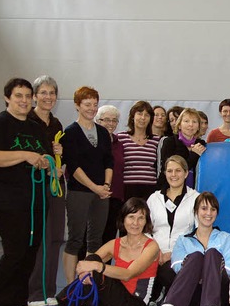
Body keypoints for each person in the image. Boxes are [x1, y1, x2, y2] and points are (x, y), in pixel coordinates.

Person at [22, 198, 159, 306]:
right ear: (123, 219)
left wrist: (97, 267)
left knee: (97, 271)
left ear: (146, 221)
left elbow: (128, 274)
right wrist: (85, 270)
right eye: (131, 217)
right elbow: (86, 263)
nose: (135, 223)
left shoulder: (151, 246)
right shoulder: (116, 244)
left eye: (140, 218)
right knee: (92, 262)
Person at [0, 78, 50, 306]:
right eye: (19, 96)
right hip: (7, 200)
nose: (25, 101)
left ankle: (18, 300)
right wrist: (25, 155)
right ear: (8, 98)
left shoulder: (36, 127)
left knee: (30, 250)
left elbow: (45, 153)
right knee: (15, 250)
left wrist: (46, 160)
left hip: (35, 199)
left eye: (28, 96)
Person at [157, 192, 230, 306]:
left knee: (212, 253)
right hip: (189, 293)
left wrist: (207, 272)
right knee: (196, 256)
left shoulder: (226, 238)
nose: (208, 213)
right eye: (204, 208)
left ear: (217, 213)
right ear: (196, 211)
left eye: (213, 209)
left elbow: (229, 270)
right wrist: (201, 270)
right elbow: (176, 267)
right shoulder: (183, 240)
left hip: (218, 293)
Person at [60, 86, 113, 284]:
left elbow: (109, 160)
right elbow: (73, 166)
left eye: (94, 105)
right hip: (79, 192)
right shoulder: (70, 132)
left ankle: (87, 283)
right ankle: (69, 285)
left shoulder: (102, 132)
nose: (91, 108)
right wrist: (94, 187)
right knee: (75, 240)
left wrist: (105, 185)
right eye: (87, 104)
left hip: (101, 193)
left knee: (95, 240)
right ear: (77, 106)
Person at [26, 76, 65, 306]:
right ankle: (33, 292)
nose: (48, 97)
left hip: (55, 186)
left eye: (52, 93)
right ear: (35, 96)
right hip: (35, 186)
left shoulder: (56, 123)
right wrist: (45, 163)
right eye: (43, 92)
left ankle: (49, 290)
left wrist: (59, 163)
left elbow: (61, 157)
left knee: (55, 237)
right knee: (37, 238)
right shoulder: (27, 122)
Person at [147, 155, 199, 304]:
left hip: (181, 254)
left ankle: (166, 298)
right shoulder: (153, 198)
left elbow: (198, 232)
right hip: (154, 253)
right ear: (165, 173)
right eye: (170, 171)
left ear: (186, 173)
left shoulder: (196, 198)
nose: (173, 175)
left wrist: (174, 253)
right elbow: (145, 230)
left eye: (178, 171)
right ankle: (156, 295)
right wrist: (156, 252)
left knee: (167, 272)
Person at [116, 101, 160, 200]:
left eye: (147, 115)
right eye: (139, 114)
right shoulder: (120, 137)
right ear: (132, 116)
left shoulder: (157, 140)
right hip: (127, 188)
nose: (143, 118)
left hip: (150, 189)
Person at [95, 105, 126, 247]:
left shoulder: (119, 144)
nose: (111, 124)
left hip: (115, 196)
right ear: (97, 120)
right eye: (106, 120)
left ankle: (105, 269)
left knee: (109, 237)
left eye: (114, 120)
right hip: (94, 194)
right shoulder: (91, 140)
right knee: (91, 237)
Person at [157, 108, 206, 189]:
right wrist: (194, 155)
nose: (190, 125)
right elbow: (174, 169)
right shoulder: (169, 142)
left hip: (194, 191)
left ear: (198, 127)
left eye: (194, 122)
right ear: (179, 125)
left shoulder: (201, 144)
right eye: (186, 121)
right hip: (169, 190)